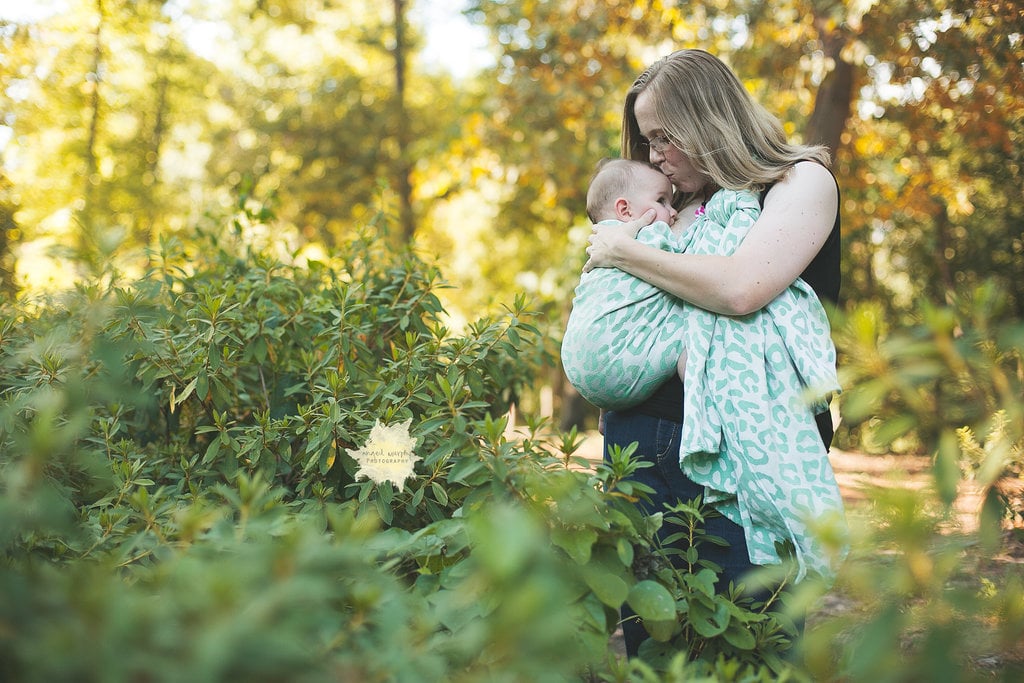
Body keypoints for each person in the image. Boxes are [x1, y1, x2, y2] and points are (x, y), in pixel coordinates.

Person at [580, 49, 849, 658]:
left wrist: (624, 250)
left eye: (664, 138)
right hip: (635, 448)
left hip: (739, 449)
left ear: (709, 118)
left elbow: (739, 287)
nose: (654, 157)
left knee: (748, 643)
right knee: (659, 648)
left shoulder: (800, 181)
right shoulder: (675, 211)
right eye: (647, 142)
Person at [561, 158, 687, 410]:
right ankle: (706, 408)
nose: (673, 212)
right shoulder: (650, 235)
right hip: (617, 365)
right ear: (625, 211)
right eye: (662, 201)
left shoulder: (600, 244)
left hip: (579, 363)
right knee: (697, 329)